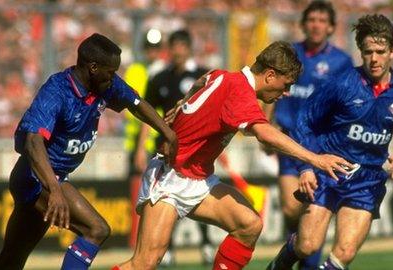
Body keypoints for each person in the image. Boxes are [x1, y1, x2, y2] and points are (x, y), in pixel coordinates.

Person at [112, 41, 353, 270]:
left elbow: (201, 81)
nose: (286, 92)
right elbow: (265, 133)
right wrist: (316, 159)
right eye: (285, 84)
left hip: (197, 179)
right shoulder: (240, 92)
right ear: (270, 75)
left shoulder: (223, 75)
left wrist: (182, 104)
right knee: (144, 263)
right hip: (170, 178)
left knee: (249, 225)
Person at [0, 33, 177, 270]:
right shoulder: (57, 91)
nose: (113, 78)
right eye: (110, 72)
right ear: (93, 67)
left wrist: (168, 133)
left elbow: (136, 104)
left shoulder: (103, 84)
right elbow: (33, 142)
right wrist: (55, 189)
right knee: (96, 229)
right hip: (36, 178)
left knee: (10, 262)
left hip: (50, 180)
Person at [266, 14, 393, 270]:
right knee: (307, 245)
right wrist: (306, 167)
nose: (374, 58)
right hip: (329, 170)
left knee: (344, 253)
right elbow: (305, 121)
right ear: (360, 51)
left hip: (367, 179)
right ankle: (279, 264)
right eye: (368, 51)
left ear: (392, 51)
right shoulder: (340, 85)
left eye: (380, 51)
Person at [266, 1, 353, 269]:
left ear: (330, 27)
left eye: (321, 20)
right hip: (289, 140)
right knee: (291, 207)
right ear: (303, 24)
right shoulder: (291, 54)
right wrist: (266, 125)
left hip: (319, 146)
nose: (316, 24)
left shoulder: (341, 62)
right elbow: (270, 88)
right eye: (311, 19)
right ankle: (299, 246)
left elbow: (347, 104)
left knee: (309, 205)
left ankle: (306, 259)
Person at [139, 28, 213, 265]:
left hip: (196, 149)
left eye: (181, 45)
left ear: (189, 47)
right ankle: (166, 247)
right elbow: (148, 115)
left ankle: (206, 243)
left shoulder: (202, 75)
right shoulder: (160, 78)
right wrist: (141, 148)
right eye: (174, 46)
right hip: (166, 150)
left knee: (200, 195)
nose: (177, 50)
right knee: (162, 197)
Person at [122, 29, 166, 249]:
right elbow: (135, 106)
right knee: (139, 192)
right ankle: (137, 239)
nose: (153, 52)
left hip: (156, 142)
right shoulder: (136, 71)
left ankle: (148, 240)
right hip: (138, 142)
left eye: (157, 48)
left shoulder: (164, 72)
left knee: (154, 194)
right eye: (150, 48)